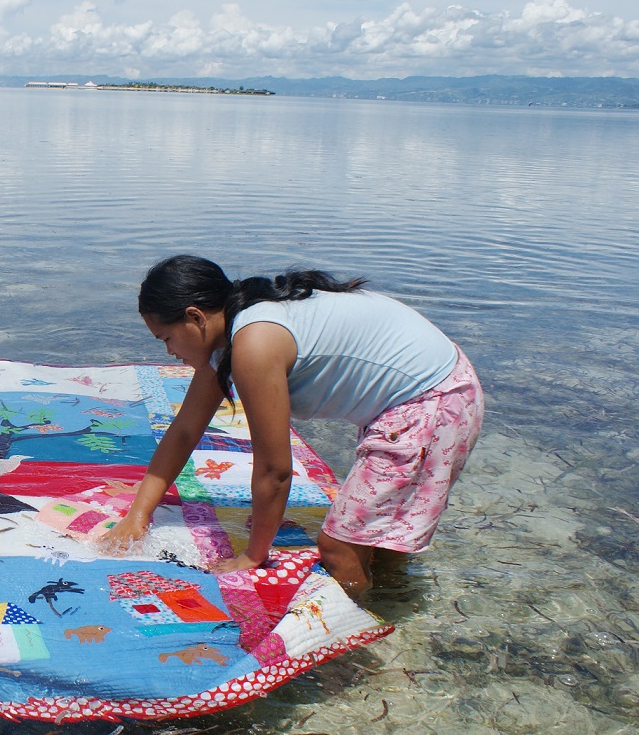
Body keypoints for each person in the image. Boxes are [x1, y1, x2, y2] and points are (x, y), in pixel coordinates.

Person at [102, 255, 483, 597]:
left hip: (430, 405)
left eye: (166, 338)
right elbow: (185, 430)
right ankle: (392, 596)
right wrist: (138, 514)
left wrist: (253, 556)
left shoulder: (255, 343)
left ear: (195, 317)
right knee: (376, 541)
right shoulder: (234, 329)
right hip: (429, 394)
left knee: (338, 549)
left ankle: (368, 641)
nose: (169, 351)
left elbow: (275, 471)